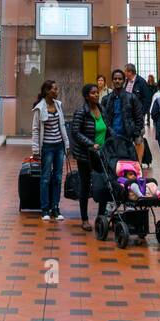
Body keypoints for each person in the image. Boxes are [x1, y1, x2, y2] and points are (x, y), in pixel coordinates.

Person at [70, 82, 109, 231]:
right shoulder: (81, 112)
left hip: (101, 154)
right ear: (86, 96)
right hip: (86, 155)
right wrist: (90, 144)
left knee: (105, 184)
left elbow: (107, 128)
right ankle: (84, 219)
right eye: (93, 93)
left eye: (97, 93)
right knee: (85, 186)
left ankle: (101, 217)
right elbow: (75, 132)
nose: (96, 95)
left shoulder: (102, 109)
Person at [31, 80, 70, 222]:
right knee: (46, 178)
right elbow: (35, 129)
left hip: (59, 146)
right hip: (47, 147)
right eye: (54, 89)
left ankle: (56, 208)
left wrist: (66, 143)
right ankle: (45, 209)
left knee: (58, 178)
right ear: (47, 91)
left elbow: (62, 126)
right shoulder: (39, 108)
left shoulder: (58, 105)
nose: (57, 91)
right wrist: (35, 149)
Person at [102, 68, 144, 157]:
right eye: (115, 79)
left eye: (120, 79)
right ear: (112, 81)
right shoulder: (105, 99)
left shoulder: (132, 98)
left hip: (127, 137)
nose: (117, 81)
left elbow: (139, 117)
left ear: (124, 81)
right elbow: (104, 118)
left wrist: (135, 133)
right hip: (111, 137)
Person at [124, 61, 152, 163]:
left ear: (130, 72)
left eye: (125, 71)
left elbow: (147, 99)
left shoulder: (141, 82)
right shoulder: (126, 82)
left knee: (138, 138)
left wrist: (142, 112)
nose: (125, 74)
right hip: (128, 116)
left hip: (138, 116)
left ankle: (139, 162)